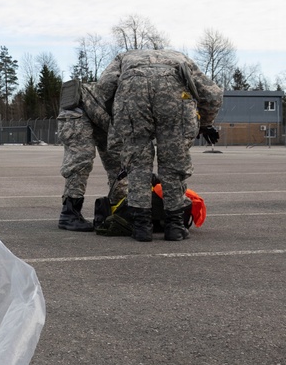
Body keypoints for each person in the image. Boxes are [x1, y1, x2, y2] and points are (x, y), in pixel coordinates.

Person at [97, 49, 223, 242]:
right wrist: (205, 123)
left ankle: (141, 227)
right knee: (173, 164)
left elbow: (104, 86)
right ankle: (174, 226)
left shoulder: (125, 57)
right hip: (174, 97)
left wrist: (117, 112)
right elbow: (213, 94)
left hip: (132, 94)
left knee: (137, 164)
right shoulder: (181, 57)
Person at [57, 80, 126, 231]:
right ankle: (69, 214)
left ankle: (119, 210)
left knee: (118, 164)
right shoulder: (133, 100)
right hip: (78, 109)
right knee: (81, 159)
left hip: (102, 117)